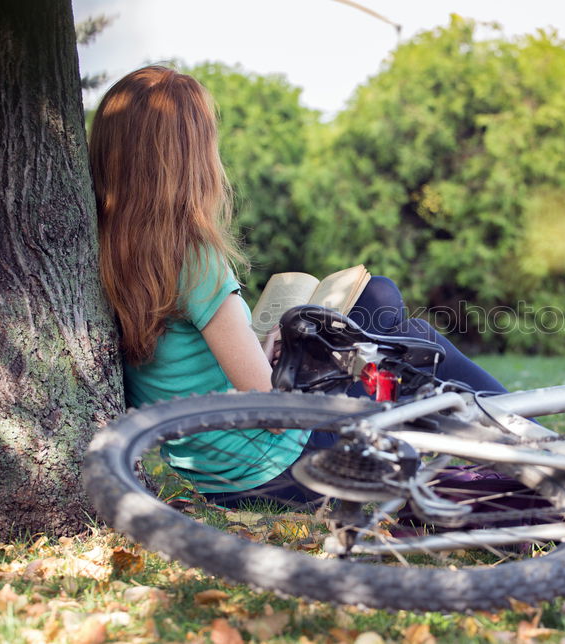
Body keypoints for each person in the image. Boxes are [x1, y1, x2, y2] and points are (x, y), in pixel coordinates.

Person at [89, 65, 506, 506]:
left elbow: (190, 367)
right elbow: (275, 414)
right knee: (405, 335)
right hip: (282, 463)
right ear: (191, 159)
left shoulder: (106, 249)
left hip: (226, 475)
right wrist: (277, 362)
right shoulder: (193, 259)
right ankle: (529, 438)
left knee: (377, 299)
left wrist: (266, 347)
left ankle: (461, 422)